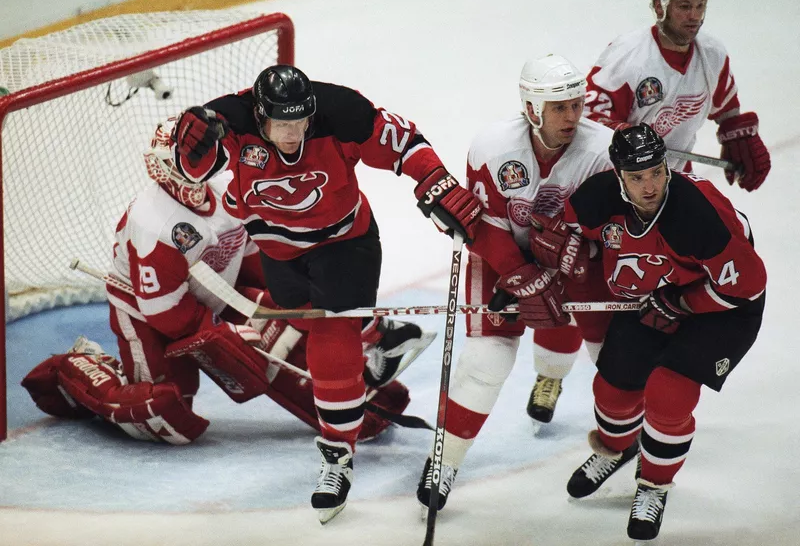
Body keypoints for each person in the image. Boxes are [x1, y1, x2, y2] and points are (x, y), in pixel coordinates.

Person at [170, 64, 482, 522]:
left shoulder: (340, 112)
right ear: (260, 116)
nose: (293, 134)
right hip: (278, 252)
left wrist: (434, 181)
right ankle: (381, 334)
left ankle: (337, 456)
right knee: (299, 321)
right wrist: (189, 145)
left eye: (300, 123)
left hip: (346, 244)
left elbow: (405, 143)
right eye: (282, 124)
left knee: (328, 339)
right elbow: (191, 170)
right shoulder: (230, 121)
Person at [21, 118, 422, 446]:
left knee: (285, 320)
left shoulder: (226, 191)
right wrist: (221, 332)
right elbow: (164, 312)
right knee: (166, 417)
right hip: (146, 312)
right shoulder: (153, 222)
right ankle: (76, 367)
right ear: (160, 166)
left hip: (209, 292)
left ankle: (351, 378)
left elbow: (249, 261)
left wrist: (284, 304)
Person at [416, 54, 618, 513]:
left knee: (617, 358)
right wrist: (521, 272)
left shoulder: (601, 151)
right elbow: (480, 226)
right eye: (559, 107)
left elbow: (612, 231)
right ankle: (444, 461)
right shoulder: (491, 146)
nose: (572, 116)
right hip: (500, 258)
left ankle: (630, 442)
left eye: (576, 104)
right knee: (486, 362)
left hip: (574, 261)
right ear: (532, 109)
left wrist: (577, 251)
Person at [556, 124, 766, 540]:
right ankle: (615, 450)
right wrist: (557, 266)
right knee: (612, 390)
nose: (650, 185)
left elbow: (747, 285)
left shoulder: (695, 214)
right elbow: (566, 234)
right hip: (656, 293)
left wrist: (683, 303)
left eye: (656, 171)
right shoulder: (596, 200)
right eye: (637, 177)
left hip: (722, 308)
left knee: (669, 395)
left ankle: (653, 485)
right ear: (618, 176)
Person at [583, 0, 771, 192]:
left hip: (676, 178)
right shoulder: (627, 56)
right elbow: (588, 120)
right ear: (660, 5)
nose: (694, 16)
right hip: (622, 182)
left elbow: (726, 109)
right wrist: (628, 139)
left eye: (700, 5)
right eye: (684, 6)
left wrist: (737, 134)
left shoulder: (712, 55)